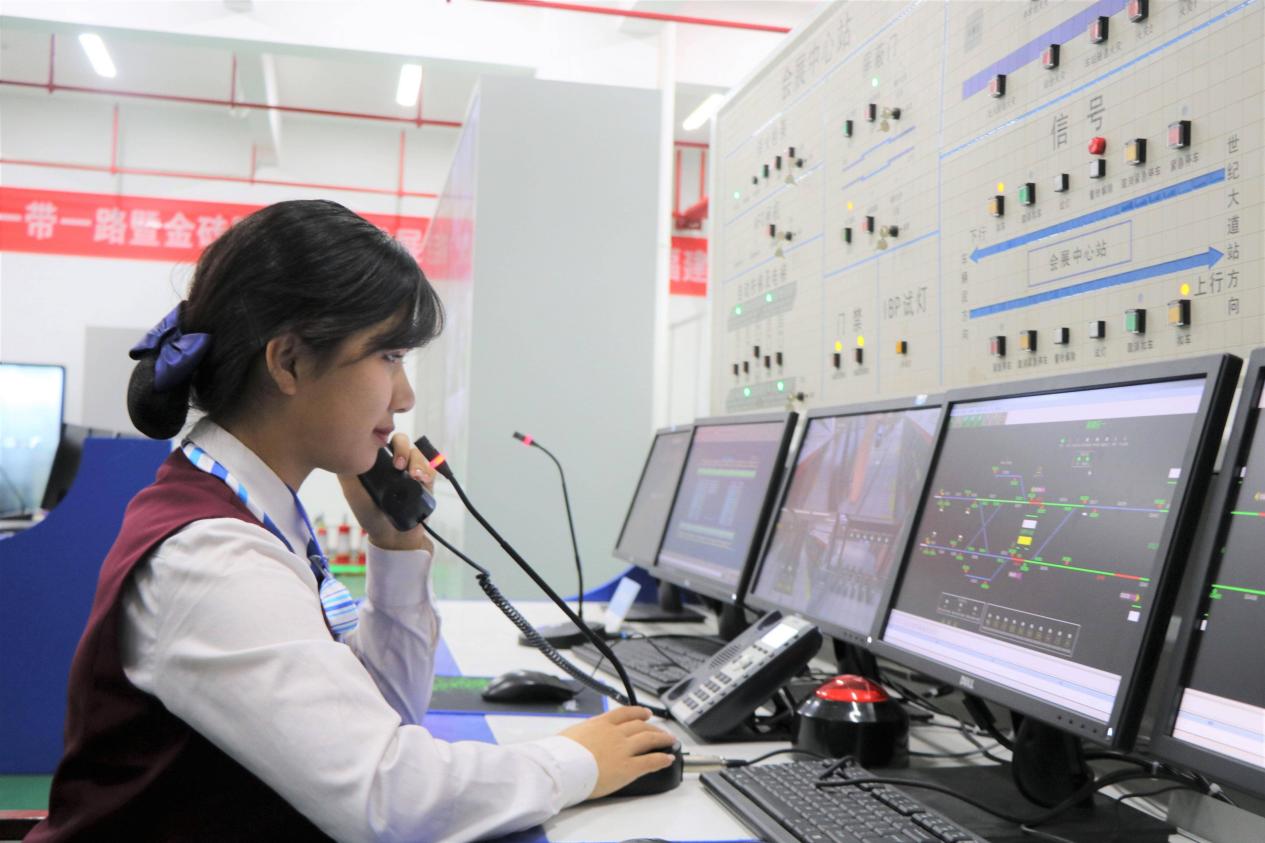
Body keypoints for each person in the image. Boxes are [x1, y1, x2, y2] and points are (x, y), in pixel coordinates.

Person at [28, 199, 676, 842]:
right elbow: (388, 801)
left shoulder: (249, 509)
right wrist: (575, 761)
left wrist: (396, 543)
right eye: (389, 356)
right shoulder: (214, 559)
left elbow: (383, 715)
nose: (405, 396)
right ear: (289, 361)